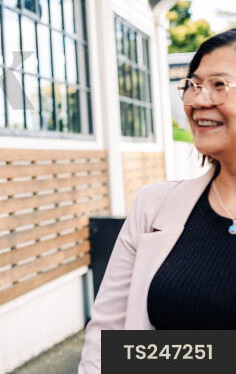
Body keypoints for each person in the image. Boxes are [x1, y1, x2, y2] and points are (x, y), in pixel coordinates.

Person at [79, 28, 236, 373]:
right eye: (192, 85)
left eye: (219, 85)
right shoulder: (155, 205)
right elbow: (109, 340)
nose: (197, 101)